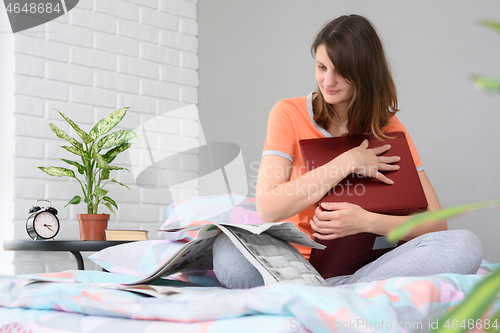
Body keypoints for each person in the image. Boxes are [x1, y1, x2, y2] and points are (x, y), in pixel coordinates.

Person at [212, 14, 482, 289]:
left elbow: (435, 224)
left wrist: (365, 222)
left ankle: (338, 291)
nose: (328, 81)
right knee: (227, 254)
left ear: (364, 73)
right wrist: (348, 161)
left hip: (364, 268)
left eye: (340, 72)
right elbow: (268, 209)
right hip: (293, 263)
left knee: (465, 245)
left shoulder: (388, 127)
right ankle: (338, 292)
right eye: (321, 67)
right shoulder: (288, 113)